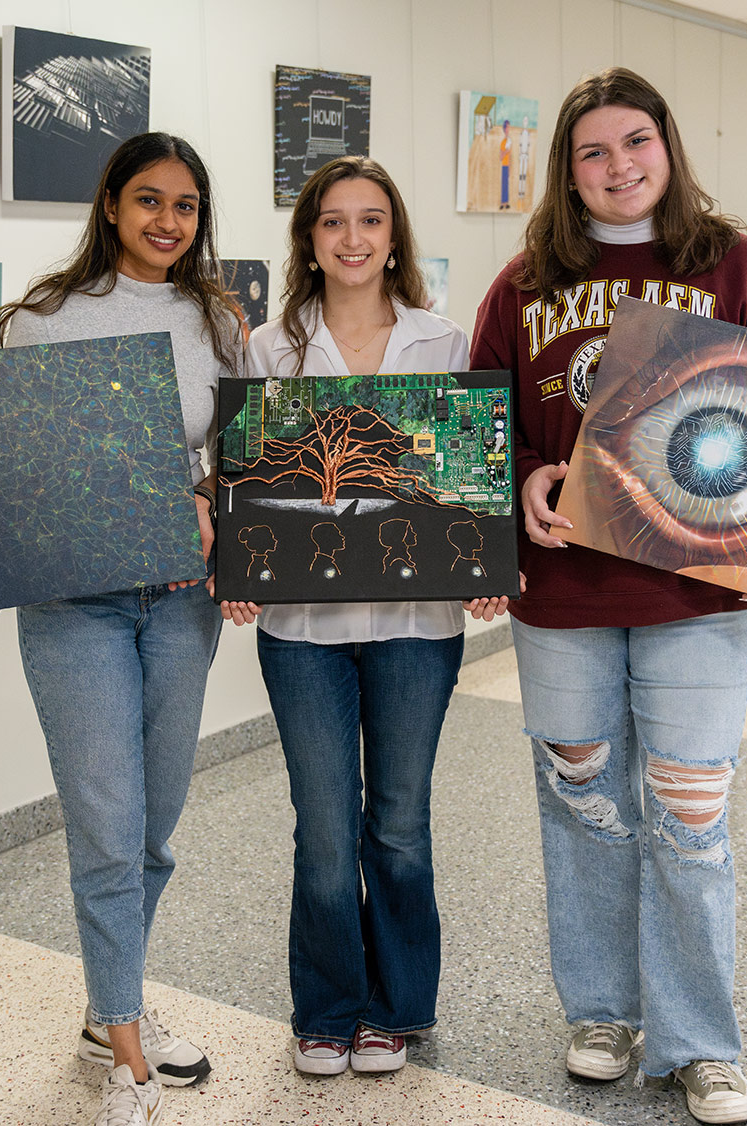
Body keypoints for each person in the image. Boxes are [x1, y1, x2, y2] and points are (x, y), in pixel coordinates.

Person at [469, 67, 747, 1126]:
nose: (617, 167)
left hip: (699, 596)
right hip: (563, 596)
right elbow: (481, 432)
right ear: (566, 169)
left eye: (634, 142)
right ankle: (600, 1011)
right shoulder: (521, 286)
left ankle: (697, 1042)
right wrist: (517, 486)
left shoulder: (737, 269)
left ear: (667, 146)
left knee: (689, 816)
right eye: (591, 152)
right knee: (583, 807)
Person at [0, 132, 243, 1126]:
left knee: (151, 831)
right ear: (109, 205)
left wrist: (208, 497)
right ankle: (127, 1055)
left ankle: (106, 1004)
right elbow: (11, 463)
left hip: (181, 599)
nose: (166, 221)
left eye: (184, 206)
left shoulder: (218, 322)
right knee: (106, 831)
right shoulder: (38, 322)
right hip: (75, 607)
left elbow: (236, 460)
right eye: (147, 200)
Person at [219, 156, 510, 1078]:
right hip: (301, 632)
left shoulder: (444, 339)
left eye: (371, 221)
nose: (353, 239)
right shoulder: (269, 350)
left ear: (394, 237)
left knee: (399, 821)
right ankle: (328, 1009)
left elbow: (469, 479)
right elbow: (243, 480)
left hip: (419, 627)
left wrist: (482, 563)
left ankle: (397, 1008)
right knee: (322, 823)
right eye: (334, 222)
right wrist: (239, 562)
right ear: (310, 238)